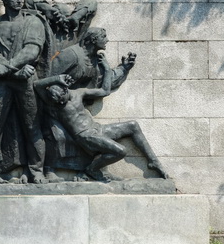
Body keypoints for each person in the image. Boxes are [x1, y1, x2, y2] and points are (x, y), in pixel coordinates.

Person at [34, 57, 168, 182]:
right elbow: (37, 85)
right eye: (57, 102)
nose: (60, 103)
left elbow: (105, 91)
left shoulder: (79, 93)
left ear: (65, 89)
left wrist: (107, 69)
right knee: (121, 151)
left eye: (61, 99)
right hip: (85, 136)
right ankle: (91, 169)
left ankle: (153, 161)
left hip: (97, 129)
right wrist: (56, 78)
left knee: (133, 125)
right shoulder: (53, 103)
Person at [0, 0, 50, 185]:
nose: (19, 0)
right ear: (5, 1)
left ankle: (36, 170)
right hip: (2, 82)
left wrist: (8, 68)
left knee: (32, 126)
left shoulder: (33, 22)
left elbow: (32, 51)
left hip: (25, 80)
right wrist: (1, 67)